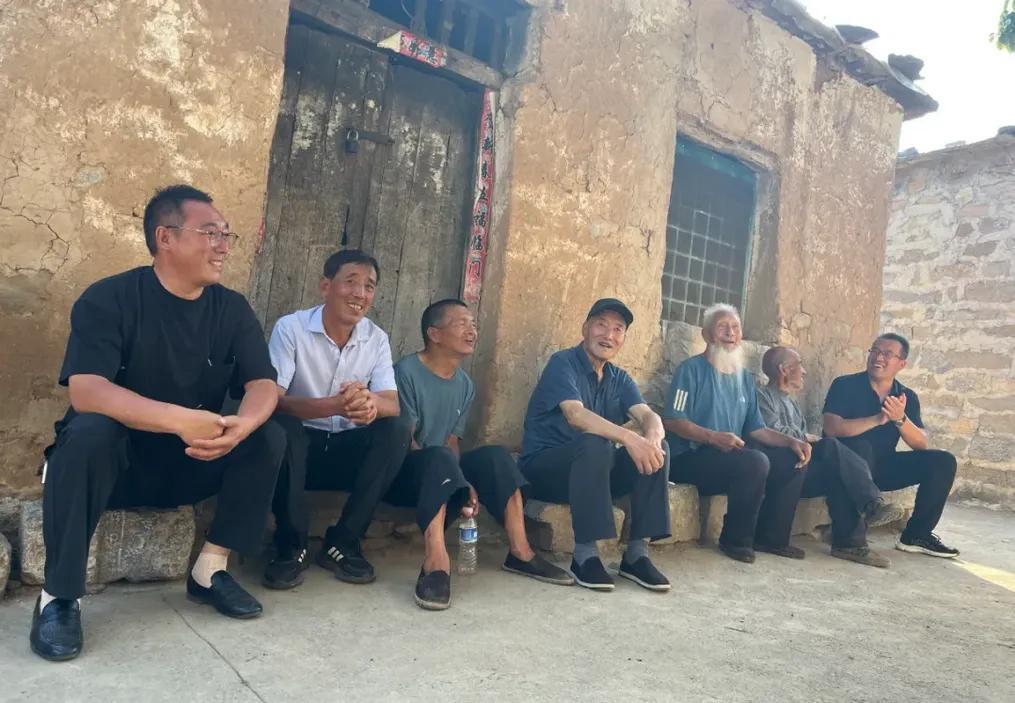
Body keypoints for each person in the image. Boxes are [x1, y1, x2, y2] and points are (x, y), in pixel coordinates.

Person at [31, 185, 285, 662]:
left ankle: (210, 571)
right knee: (88, 432)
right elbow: (87, 390)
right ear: (165, 237)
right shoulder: (109, 299)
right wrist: (179, 419)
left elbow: (262, 383)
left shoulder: (231, 309)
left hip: (191, 461)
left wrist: (243, 425)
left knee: (268, 434)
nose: (223, 246)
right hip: (118, 468)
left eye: (226, 234)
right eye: (210, 233)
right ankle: (59, 597)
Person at [390, 299, 573, 610]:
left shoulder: (464, 384)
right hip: (406, 473)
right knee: (438, 459)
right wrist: (454, 480)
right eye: (461, 323)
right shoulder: (405, 372)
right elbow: (404, 441)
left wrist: (462, 481)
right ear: (434, 334)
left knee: (496, 457)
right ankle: (436, 564)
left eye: (473, 324)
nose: (472, 331)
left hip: (443, 469)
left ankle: (521, 553)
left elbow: (451, 440)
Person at [262, 250, 413, 590]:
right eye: (351, 282)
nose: (360, 294)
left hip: (347, 451)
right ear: (325, 286)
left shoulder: (376, 338)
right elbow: (273, 399)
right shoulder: (292, 328)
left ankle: (344, 541)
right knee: (281, 428)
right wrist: (333, 406)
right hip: (300, 451)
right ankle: (291, 545)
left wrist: (368, 404)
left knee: (397, 429)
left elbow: (392, 404)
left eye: (369, 286)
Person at [520, 299, 672, 592]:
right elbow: (575, 416)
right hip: (546, 471)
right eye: (601, 325)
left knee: (659, 449)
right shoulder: (563, 363)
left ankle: (637, 555)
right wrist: (630, 437)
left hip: (593, 474)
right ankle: (585, 555)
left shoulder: (619, 378)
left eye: (618, 329)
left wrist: (652, 438)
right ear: (585, 329)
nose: (608, 335)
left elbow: (648, 415)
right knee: (594, 441)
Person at [663, 304, 813, 564]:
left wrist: (792, 441)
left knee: (792, 459)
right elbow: (673, 420)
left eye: (735, 327)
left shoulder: (744, 378)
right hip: (690, 457)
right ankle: (735, 540)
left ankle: (772, 538)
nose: (730, 333)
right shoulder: (689, 370)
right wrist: (713, 437)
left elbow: (757, 429)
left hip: (729, 458)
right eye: (722, 327)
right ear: (707, 334)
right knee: (754, 461)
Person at [758, 346, 904, 567]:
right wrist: (807, 438)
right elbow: (769, 430)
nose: (804, 371)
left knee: (844, 467)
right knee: (829, 445)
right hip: (781, 468)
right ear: (784, 369)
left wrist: (808, 439)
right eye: (799, 365)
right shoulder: (762, 396)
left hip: (801, 468)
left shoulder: (792, 404)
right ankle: (871, 506)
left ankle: (850, 544)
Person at [823, 333, 959, 558]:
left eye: (887, 354)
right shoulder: (845, 385)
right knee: (861, 446)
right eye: (875, 351)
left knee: (942, 461)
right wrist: (878, 419)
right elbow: (831, 428)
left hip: (883, 465)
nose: (878, 357)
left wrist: (900, 419)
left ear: (901, 364)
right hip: (846, 466)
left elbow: (921, 443)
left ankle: (916, 536)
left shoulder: (906, 396)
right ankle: (851, 531)